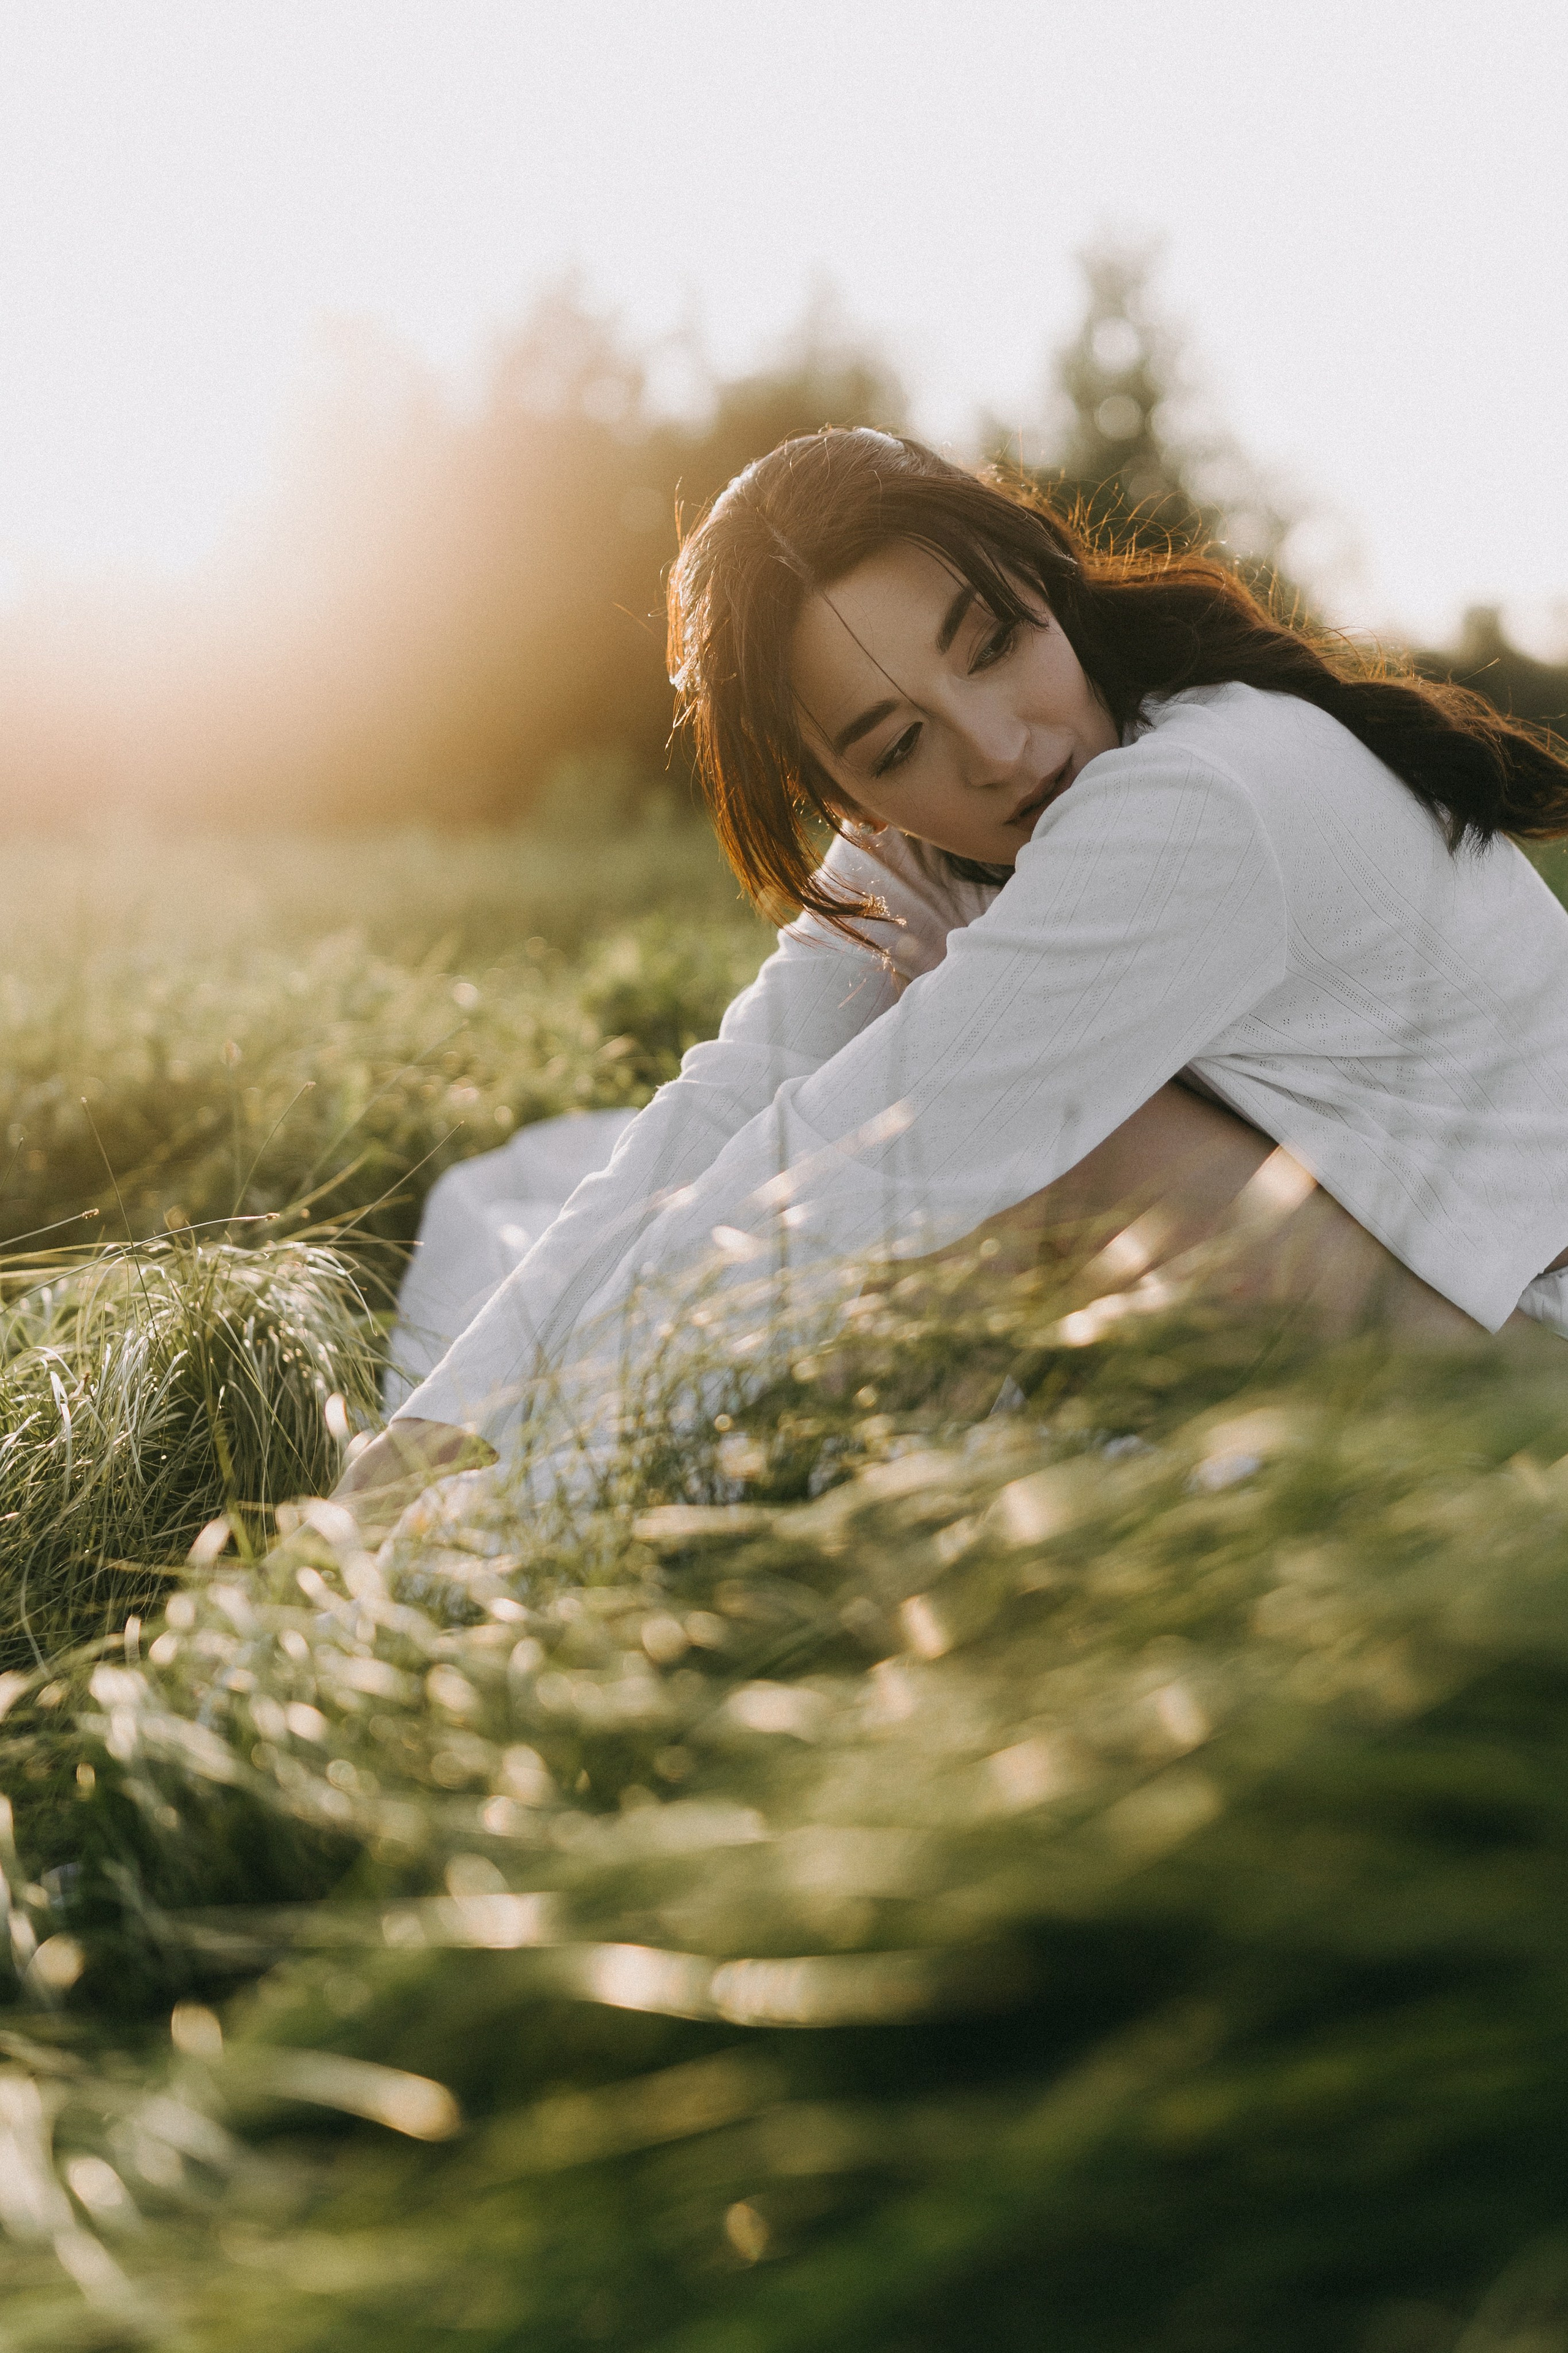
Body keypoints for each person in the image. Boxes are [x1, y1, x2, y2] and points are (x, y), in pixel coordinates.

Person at [339, 427, 1568, 1526]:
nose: (996, 748)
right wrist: (430, 1438)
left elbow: (846, 1175)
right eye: (899, 741)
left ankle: (851, 1621)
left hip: (1532, 1384)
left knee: (972, 1180)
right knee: (893, 1167)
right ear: (839, 793)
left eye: (992, 644)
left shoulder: (1195, 793)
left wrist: (481, 1532)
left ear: (1039, 575)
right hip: (1411, 1305)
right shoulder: (931, 842)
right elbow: (731, 1101)